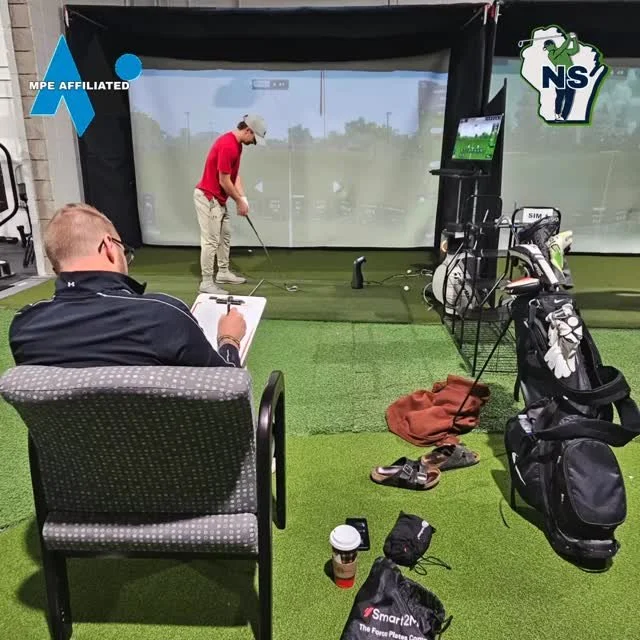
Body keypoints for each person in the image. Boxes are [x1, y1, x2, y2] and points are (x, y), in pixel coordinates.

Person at [9, 203, 246, 368]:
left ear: (55, 268)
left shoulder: (25, 327)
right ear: (109, 246)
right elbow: (226, 388)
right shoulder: (162, 315)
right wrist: (229, 339)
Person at [194, 114, 267, 295]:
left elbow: (234, 176)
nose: (254, 143)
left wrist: (243, 198)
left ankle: (223, 272)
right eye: (254, 139)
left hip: (218, 199)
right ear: (248, 130)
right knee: (211, 241)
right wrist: (239, 201)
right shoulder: (228, 145)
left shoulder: (237, 145)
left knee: (225, 235)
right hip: (208, 198)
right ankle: (206, 283)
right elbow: (224, 181)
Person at [543, 33, 580, 121]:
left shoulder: (563, 51)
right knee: (560, 96)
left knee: (569, 98)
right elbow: (561, 49)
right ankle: (557, 114)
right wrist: (568, 39)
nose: (547, 49)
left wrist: (574, 39)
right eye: (546, 48)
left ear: (551, 45)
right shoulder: (551, 54)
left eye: (547, 47)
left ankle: (563, 116)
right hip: (561, 75)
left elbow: (575, 50)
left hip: (571, 75)